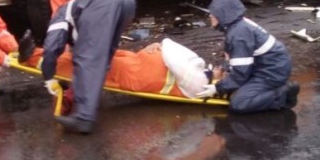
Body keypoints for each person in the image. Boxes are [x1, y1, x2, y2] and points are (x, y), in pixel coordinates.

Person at [40, 0, 136, 134]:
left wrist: (48, 77)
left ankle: (84, 118)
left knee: (87, 57)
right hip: (126, 1)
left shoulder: (60, 15)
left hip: (104, 1)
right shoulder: (78, 12)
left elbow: (52, 47)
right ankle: (90, 104)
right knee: (103, 58)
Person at [195, 0, 299, 113]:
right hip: (269, 65)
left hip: (271, 71)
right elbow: (234, 58)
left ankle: (282, 94)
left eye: (213, 13)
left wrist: (218, 88)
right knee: (235, 88)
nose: (210, 16)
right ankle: (275, 89)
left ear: (223, 15)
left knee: (238, 104)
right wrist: (225, 69)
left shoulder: (238, 35)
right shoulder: (238, 26)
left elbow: (241, 73)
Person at [19, 38, 212, 100]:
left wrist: (163, 46)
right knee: (91, 55)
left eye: (223, 71)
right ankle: (37, 52)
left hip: (138, 74)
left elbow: (174, 59)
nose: (221, 69)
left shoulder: (201, 84)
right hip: (138, 61)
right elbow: (173, 53)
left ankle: (33, 58)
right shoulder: (201, 68)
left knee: (89, 63)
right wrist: (157, 45)